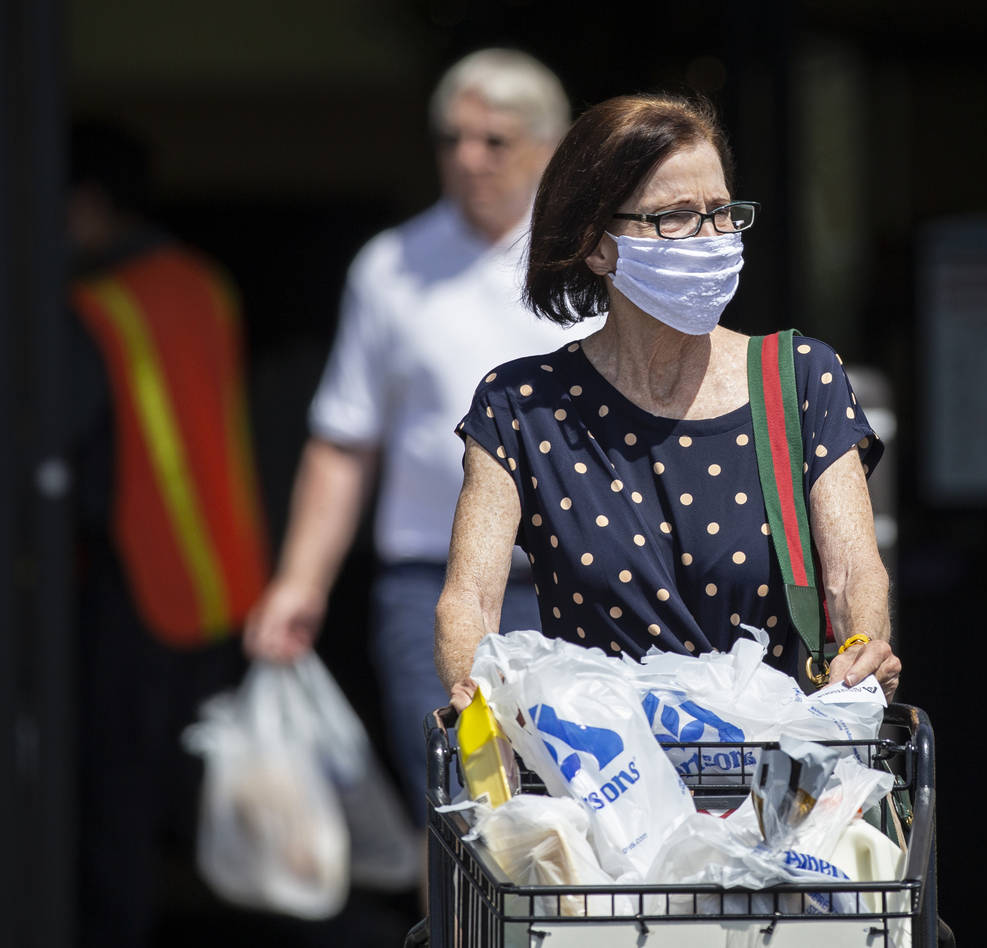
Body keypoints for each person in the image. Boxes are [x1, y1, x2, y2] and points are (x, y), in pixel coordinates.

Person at [436, 93, 901, 709]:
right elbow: (468, 600)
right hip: (602, 776)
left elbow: (851, 574)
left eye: (722, 212)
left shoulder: (797, 380)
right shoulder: (520, 406)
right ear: (597, 246)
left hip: (772, 774)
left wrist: (863, 642)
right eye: (675, 216)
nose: (711, 238)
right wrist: (479, 695)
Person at [243, 49, 578, 824]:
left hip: (575, 586)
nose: (468, 157)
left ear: (551, 146)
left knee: (580, 817)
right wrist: (300, 582)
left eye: (495, 140)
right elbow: (343, 439)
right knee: (458, 816)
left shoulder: (594, 259)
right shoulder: (391, 266)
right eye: (450, 138)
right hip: (428, 587)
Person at [67, 119, 270, 947]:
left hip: (134, 583)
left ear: (84, 204)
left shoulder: (89, 306)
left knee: (116, 811)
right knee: (220, 804)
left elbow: (73, 464)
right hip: (229, 580)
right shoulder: (205, 284)